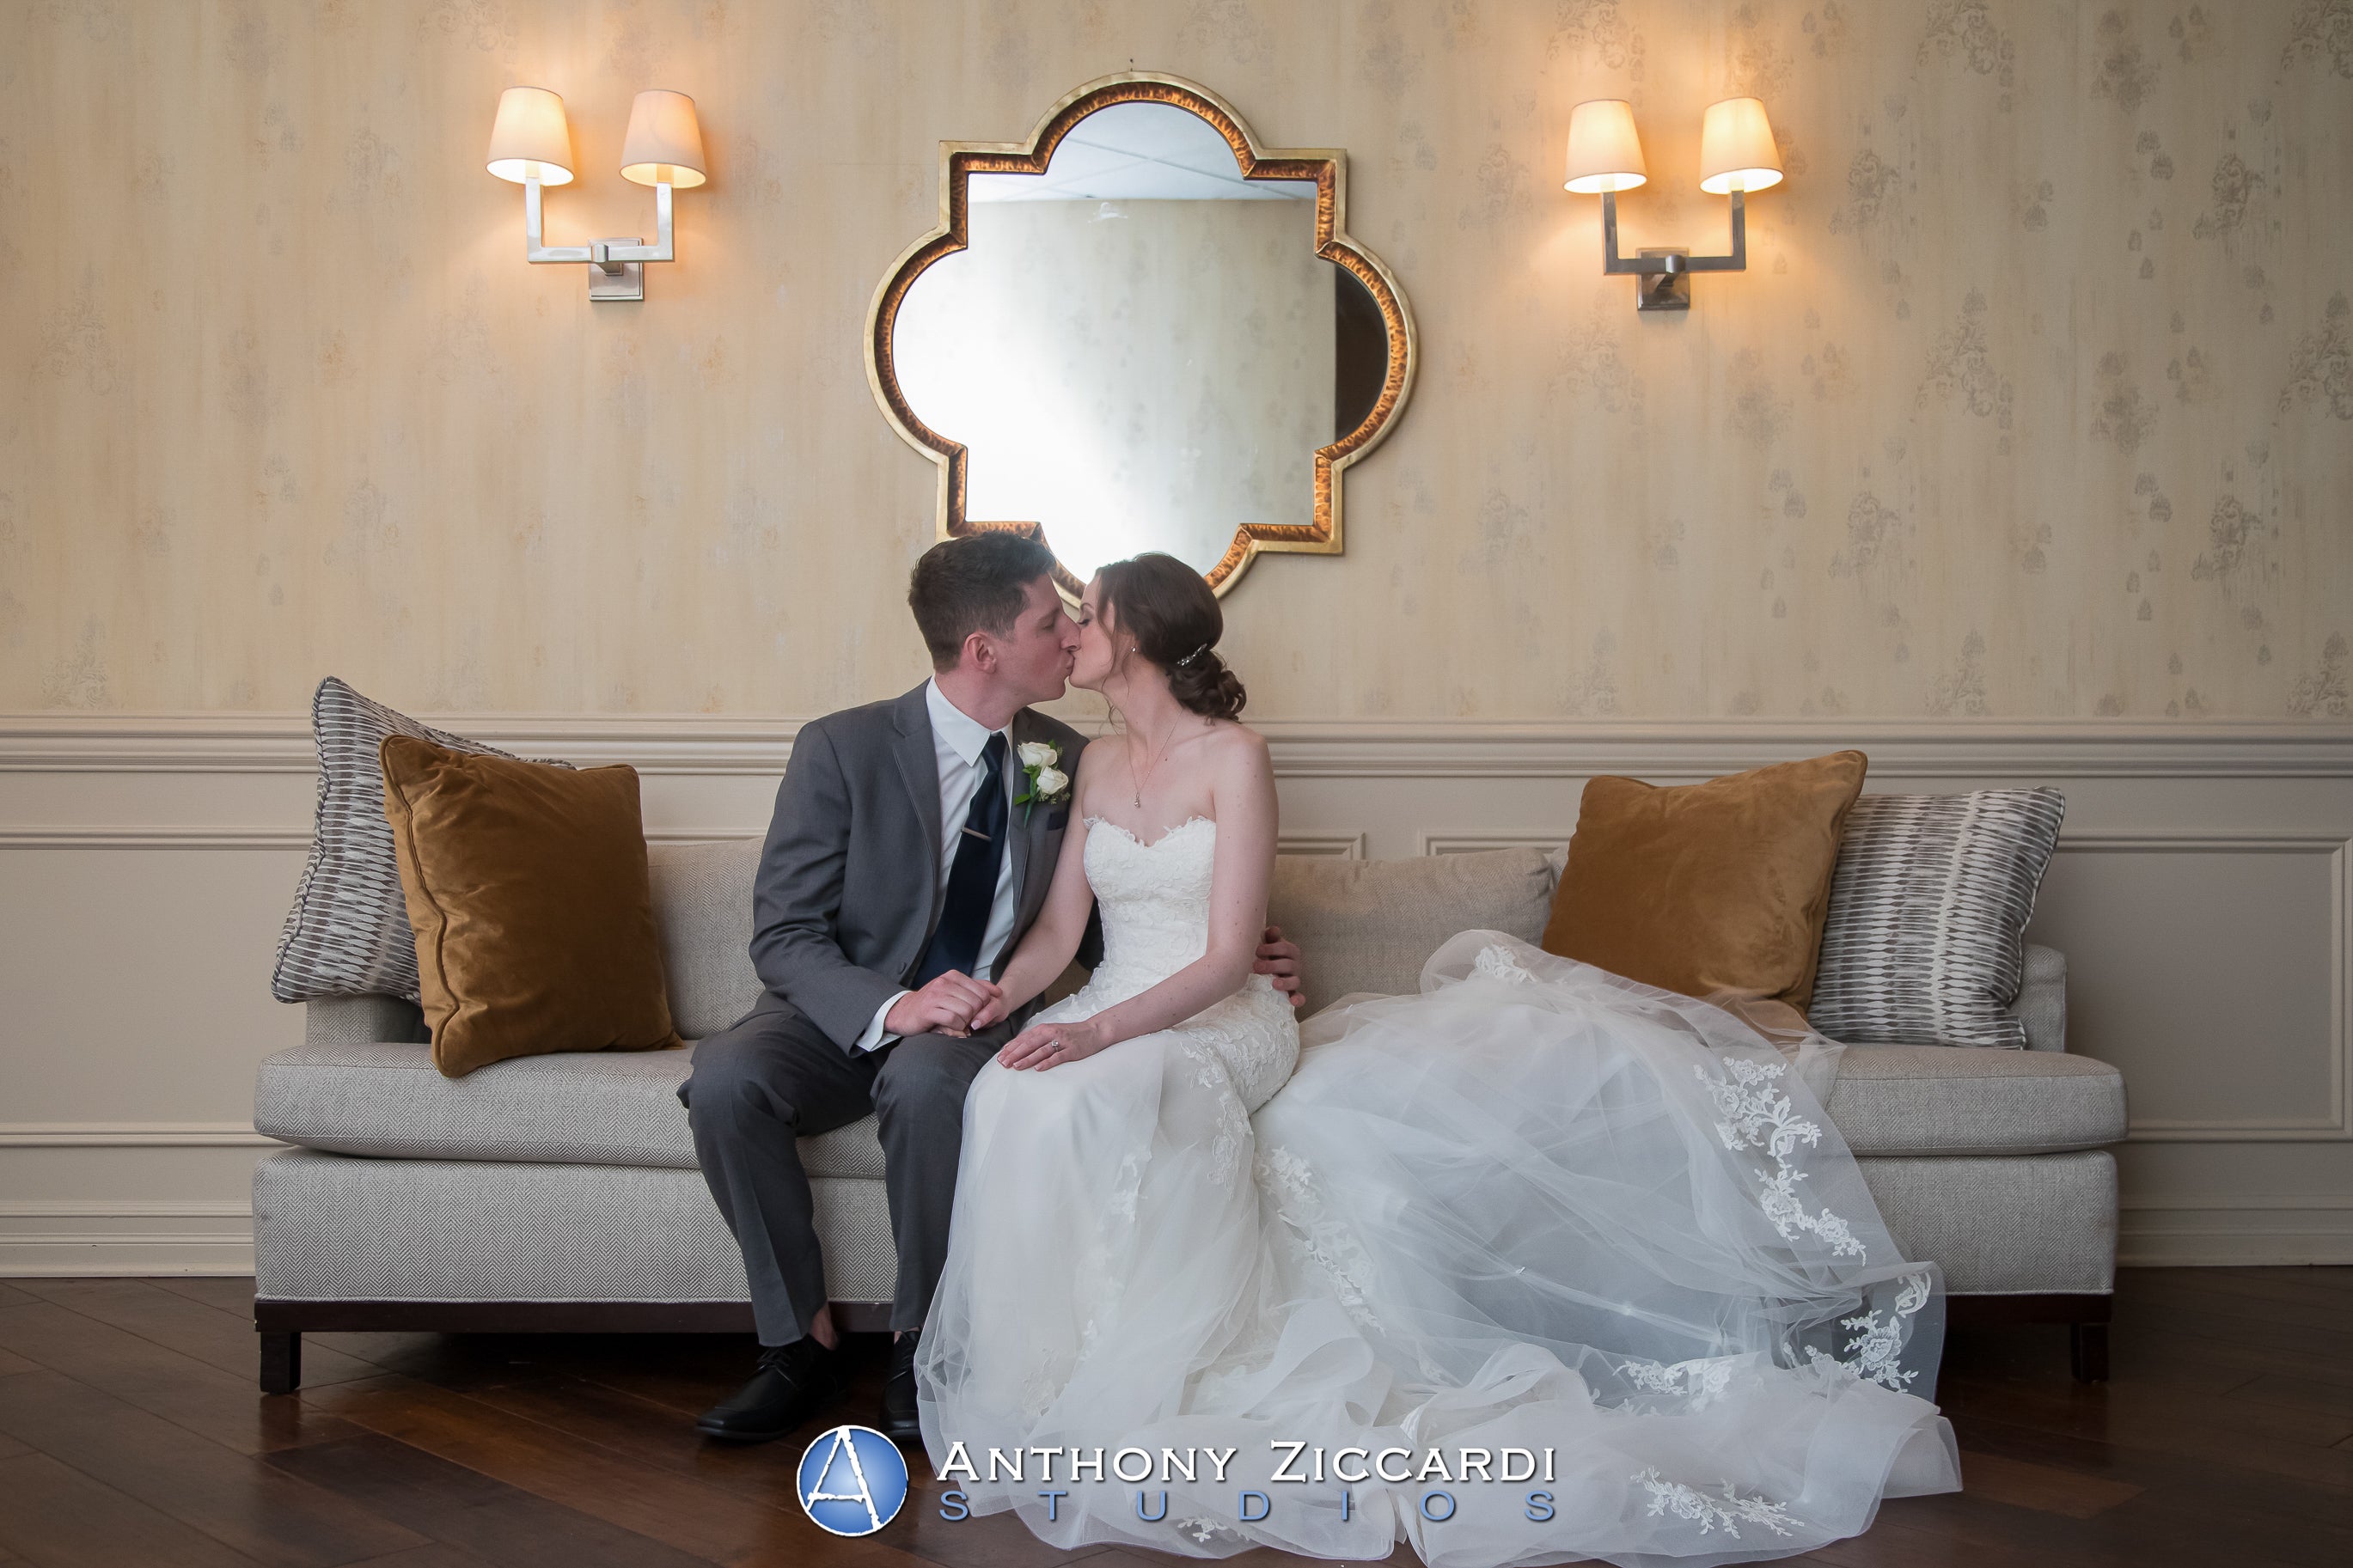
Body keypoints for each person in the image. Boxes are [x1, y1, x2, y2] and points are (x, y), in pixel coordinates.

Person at [916, 552, 1963, 1566]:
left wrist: (1100, 1034)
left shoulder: (1236, 756)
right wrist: (996, 1002)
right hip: (1114, 999)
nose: (1069, 631)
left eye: (1084, 614)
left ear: (1131, 634)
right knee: (1011, 1095)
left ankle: (1149, 1376)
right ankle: (1050, 1385)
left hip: (1215, 1017)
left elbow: (1232, 953)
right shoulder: (1091, 762)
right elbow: (1058, 934)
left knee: (1108, 1090)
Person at [680, 533, 1307, 1444]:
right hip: (847, 1008)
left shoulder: (1062, 753)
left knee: (931, 1082)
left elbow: (1101, 912)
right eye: (1050, 620)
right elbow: (782, 935)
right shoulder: (842, 748)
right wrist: (894, 1006)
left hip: (974, 1015)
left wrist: (1248, 944)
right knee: (726, 1079)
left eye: (1077, 618)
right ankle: (796, 1344)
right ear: (985, 650)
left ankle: (920, 1344)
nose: (1067, 634)